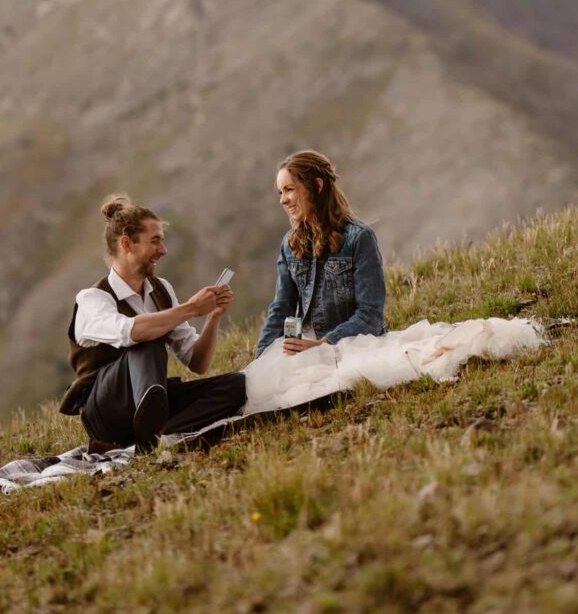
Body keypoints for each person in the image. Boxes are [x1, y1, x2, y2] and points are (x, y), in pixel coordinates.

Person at [60, 195, 246, 452]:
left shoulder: (162, 290)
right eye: (155, 241)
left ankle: (159, 437)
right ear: (127, 243)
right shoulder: (92, 299)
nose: (163, 250)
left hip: (153, 402)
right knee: (146, 340)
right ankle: (153, 434)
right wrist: (191, 309)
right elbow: (131, 331)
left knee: (235, 385)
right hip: (106, 413)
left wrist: (213, 317)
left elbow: (197, 363)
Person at [256, 150, 386, 358]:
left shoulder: (360, 238)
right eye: (280, 192)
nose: (283, 200)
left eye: (289, 189)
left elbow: (370, 315)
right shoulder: (289, 244)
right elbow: (281, 309)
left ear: (317, 186)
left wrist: (322, 345)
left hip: (350, 348)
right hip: (304, 349)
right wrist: (260, 360)